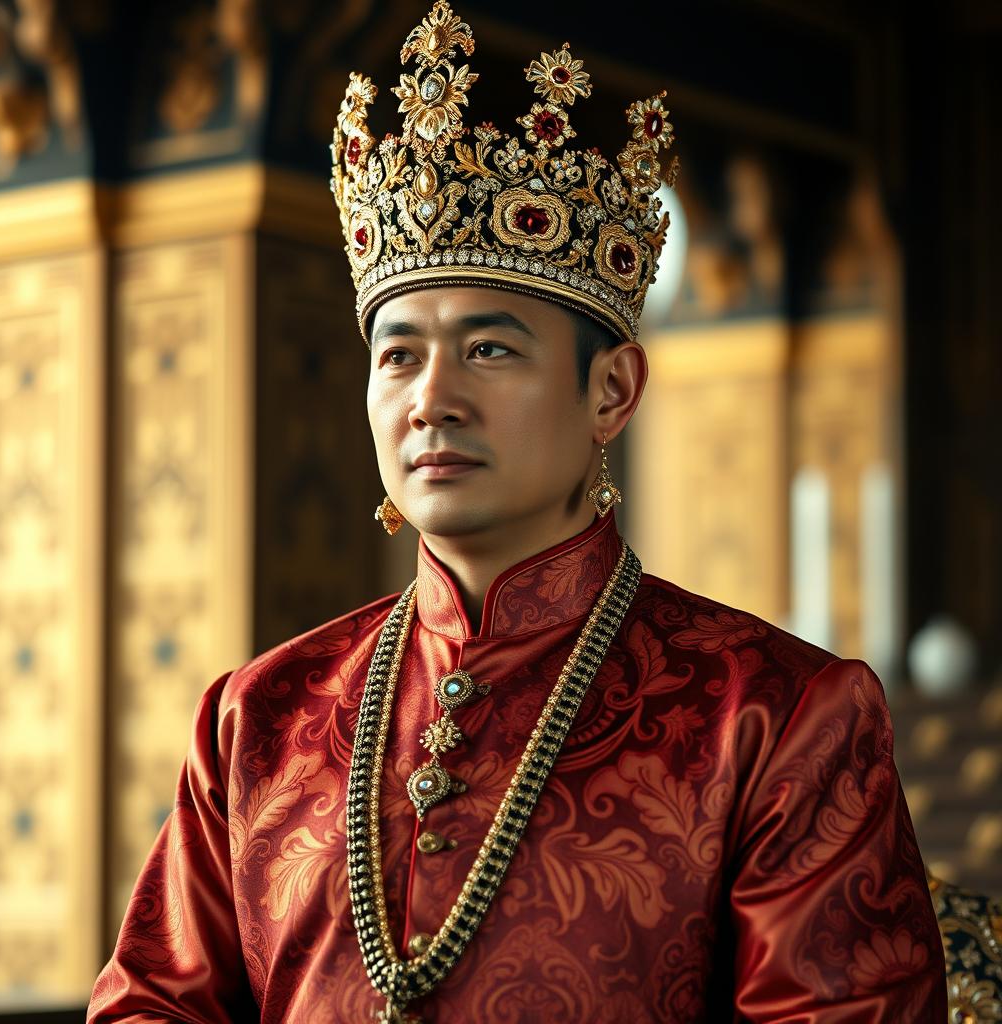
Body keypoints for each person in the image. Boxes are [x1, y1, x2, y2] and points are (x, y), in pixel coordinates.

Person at [88, 3, 947, 1021]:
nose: (430, 398)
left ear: (611, 392)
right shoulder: (258, 718)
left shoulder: (772, 717)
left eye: (490, 350)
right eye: (398, 354)